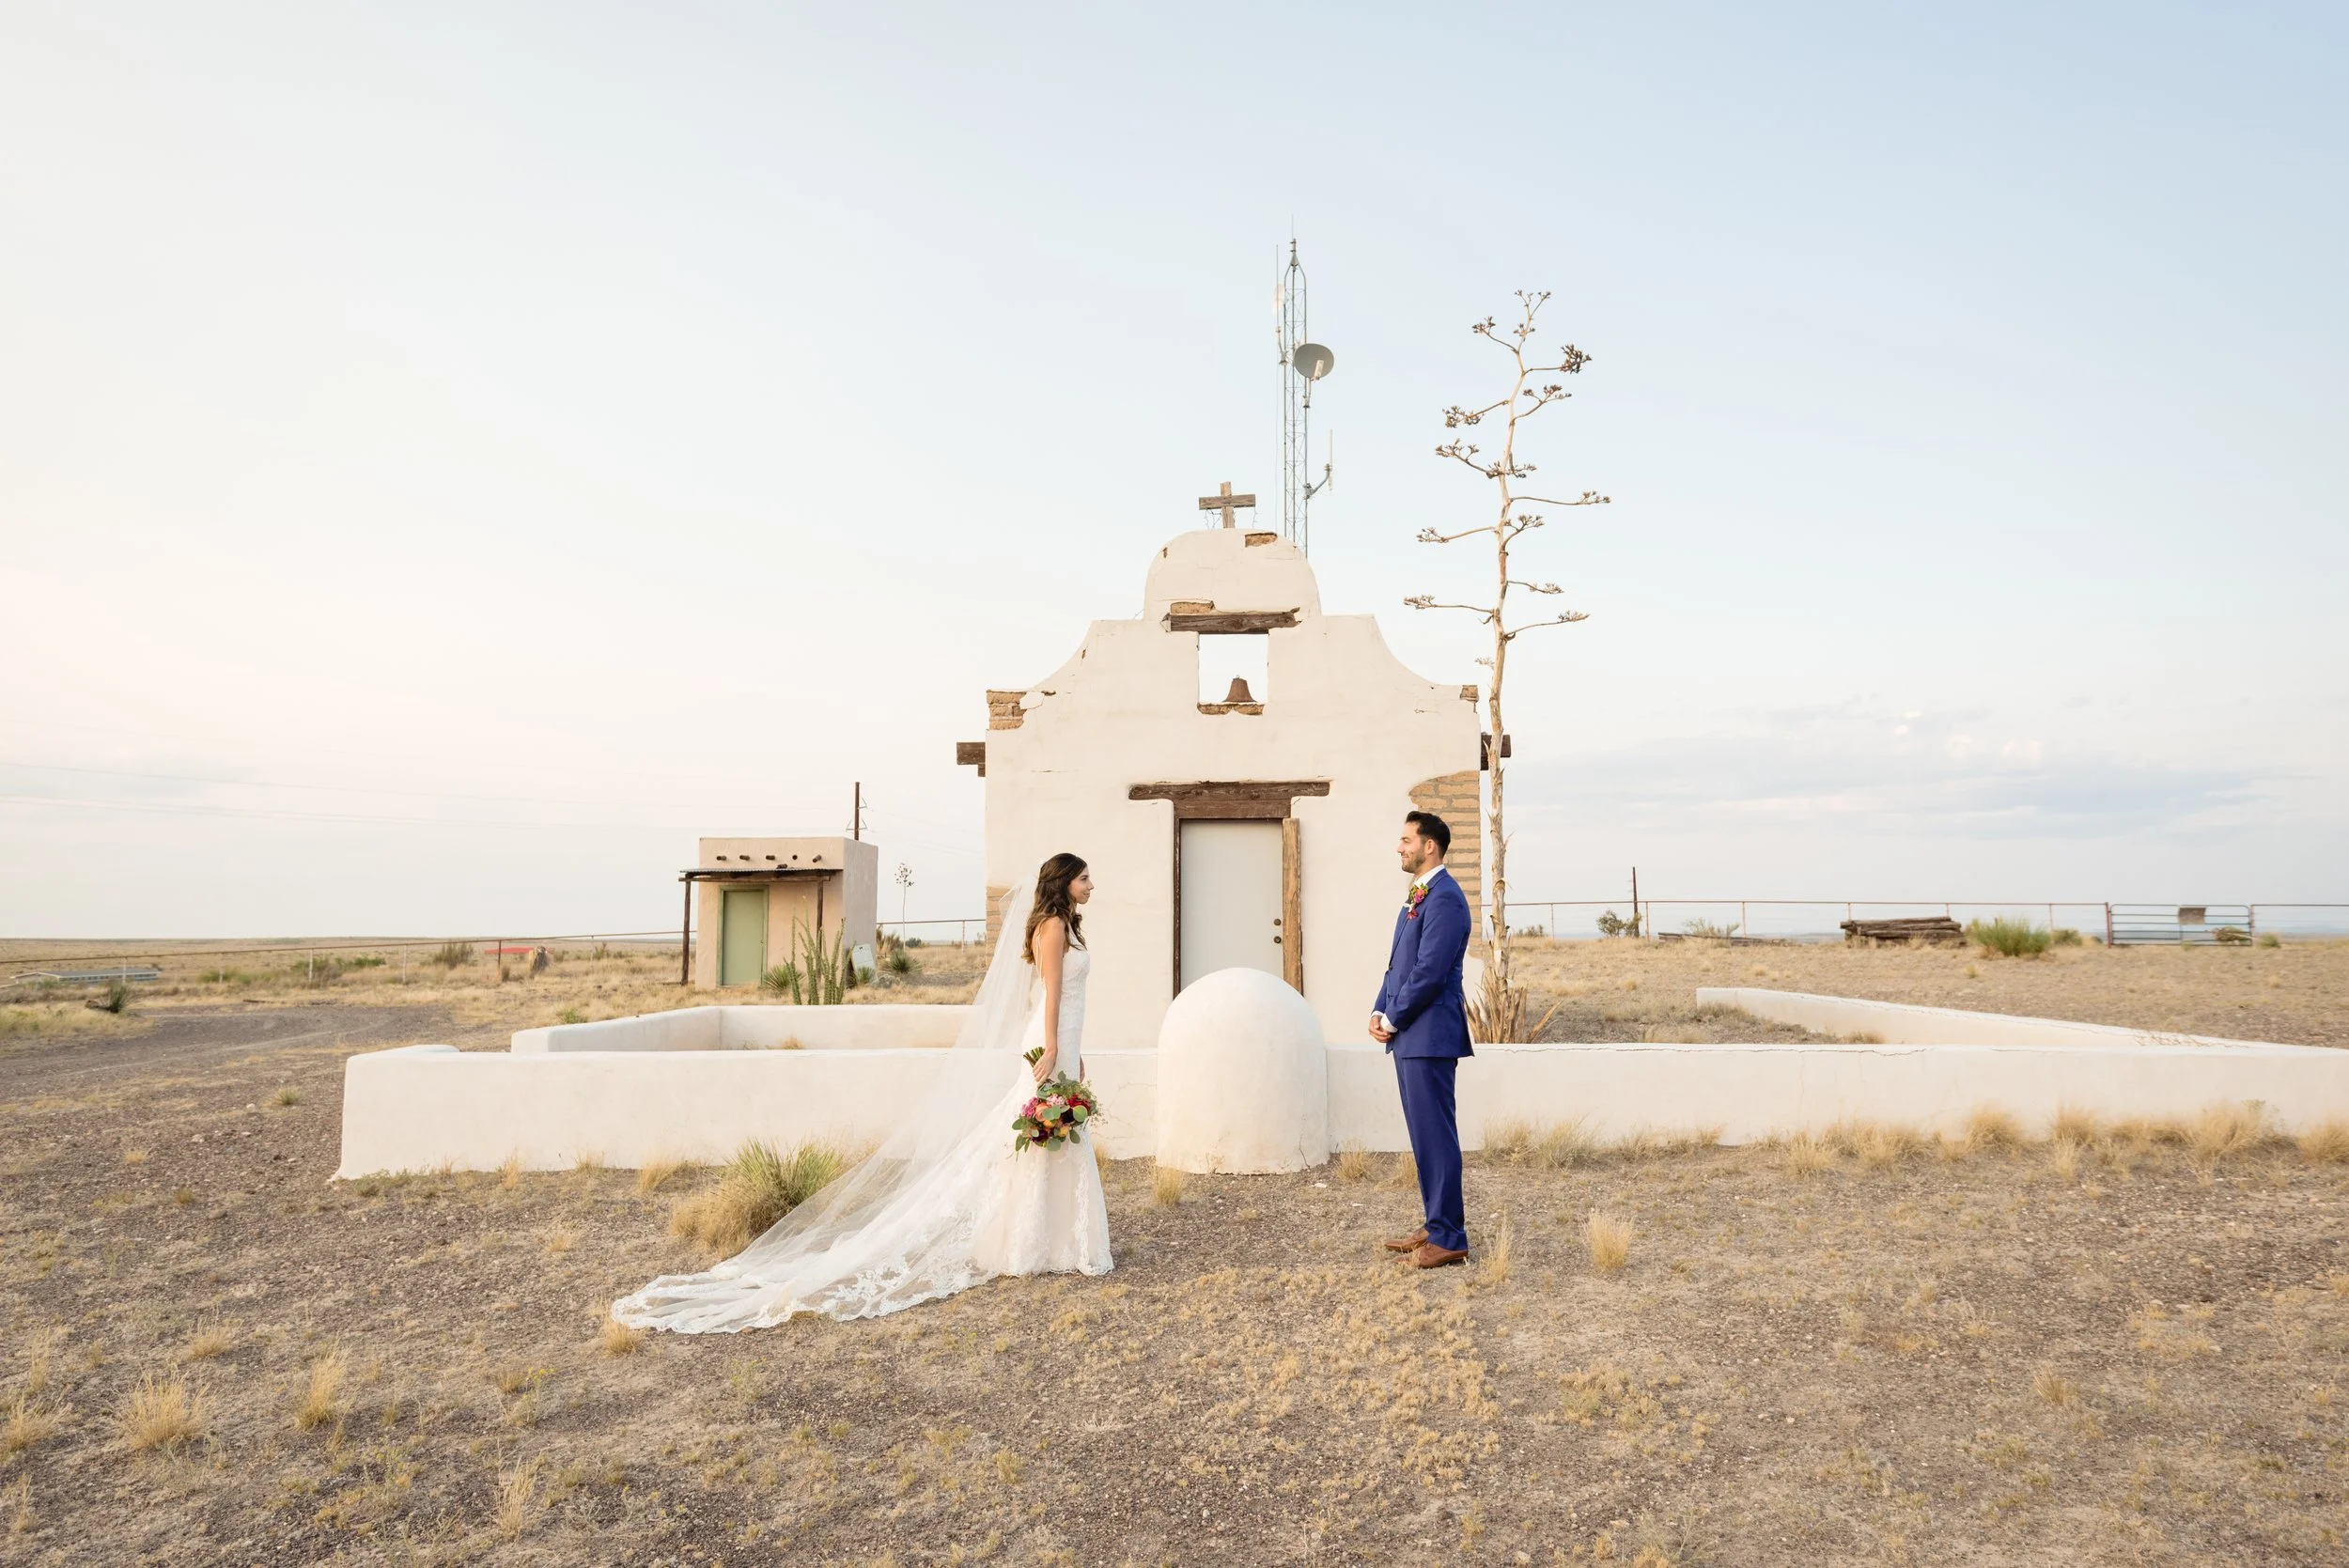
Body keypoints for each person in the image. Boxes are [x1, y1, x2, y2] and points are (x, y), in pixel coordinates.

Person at [611, 854, 1112, 1332]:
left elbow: (1070, 999)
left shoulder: (1067, 926)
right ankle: (1031, 1242)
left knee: (1054, 1134)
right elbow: (1049, 993)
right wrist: (1052, 1047)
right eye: (1084, 878)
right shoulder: (1051, 927)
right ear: (1063, 881)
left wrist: (1074, 1051)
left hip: (1064, 1043)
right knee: (1039, 1135)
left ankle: (1056, 1241)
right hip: (1049, 1042)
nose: (1091, 886)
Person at [1368, 811, 1473, 1268]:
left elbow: (1430, 971)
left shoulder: (1445, 897)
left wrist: (1393, 1018)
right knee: (1423, 1136)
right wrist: (1379, 1009)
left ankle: (1449, 1237)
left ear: (1430, 846)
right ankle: (1436, 1224)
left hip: (1430, 1035)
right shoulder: (1420, 894)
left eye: (1407, 840)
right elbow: (1399, 964)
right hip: (1410, 1034)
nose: (1400, 847)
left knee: (1436, 1137)